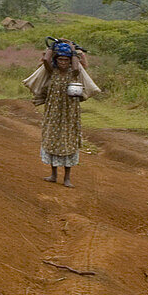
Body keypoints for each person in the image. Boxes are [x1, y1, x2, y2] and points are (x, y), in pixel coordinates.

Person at [38, 40, 89, 187]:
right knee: (52, 139)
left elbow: (76, 66)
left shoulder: (74, 73)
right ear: (56, 60)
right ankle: (53, 174)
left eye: (66, 60)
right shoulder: (52, 71)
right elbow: (46, 59)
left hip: (69, 113)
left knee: (68, 141)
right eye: (60, 59)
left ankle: (67, 178)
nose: (63, 62)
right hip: (53, 111)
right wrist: (52, 46)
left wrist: (72, 50)